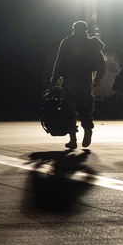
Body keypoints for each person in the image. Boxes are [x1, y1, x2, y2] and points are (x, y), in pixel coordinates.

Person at [50, 20, 106, 150]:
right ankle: (87, 129)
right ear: (86, 30)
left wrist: (54, 78)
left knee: (69, 110)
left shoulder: (66, 42)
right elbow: (101, 65)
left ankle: (73, 139)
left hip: (69, 80)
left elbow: (59, 62)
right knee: (84, 108)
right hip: (86, 80)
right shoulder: (92, 44)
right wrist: (96, 80)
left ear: (73, 29)